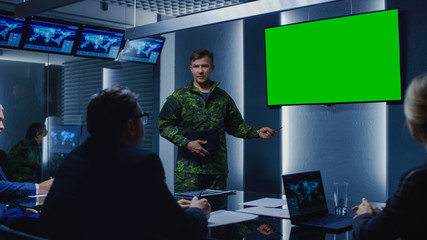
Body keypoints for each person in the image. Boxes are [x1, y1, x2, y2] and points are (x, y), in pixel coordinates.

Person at [38, 86, 211, 240]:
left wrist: (165, 210)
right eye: (142, 118)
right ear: (131, 126)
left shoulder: (74, 159)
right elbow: (182, 231)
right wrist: (198, 211)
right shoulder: (141, 162)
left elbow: (107, 213)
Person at [158, 49, 277, 192]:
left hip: (217, 171)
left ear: (212, 68)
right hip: (189, 171)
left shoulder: (223, 97)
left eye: (205, 66)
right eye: (196, 66)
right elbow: (163, 126)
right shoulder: (179, 96)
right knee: (188, 212)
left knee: (219, 214)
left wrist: (257, 132)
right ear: (191, 69)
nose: (200, 71)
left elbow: (236, 126)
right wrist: (187, 143)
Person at [351, 73, 427, 240]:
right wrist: (383, 217)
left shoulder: (416, 181)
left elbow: (368, 235)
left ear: (412, 124)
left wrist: (364, 215)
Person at [0, 104, 53, 197]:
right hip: (20, 181)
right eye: (44, 136)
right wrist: (40, 187)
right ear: (37, 134)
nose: (2, 126)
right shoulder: (29, 146)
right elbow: (40, 163)